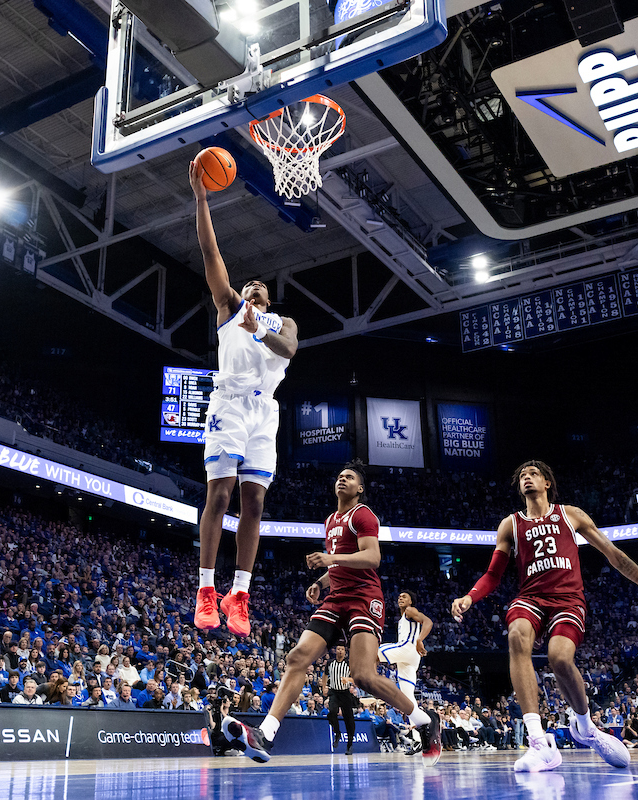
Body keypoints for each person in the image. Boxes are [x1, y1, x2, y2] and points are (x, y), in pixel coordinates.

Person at [451, 460, 638, 773]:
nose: (527, 478)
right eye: (522, 476)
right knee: (516, 635)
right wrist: (469, 596)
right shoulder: (511, 524)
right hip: (530, 598)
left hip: (568, 600)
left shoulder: (571, 515)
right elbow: (493, 574)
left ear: (546, 483)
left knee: (559, 658)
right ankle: (538, 742)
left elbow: (616, 557)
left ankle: (585, 727)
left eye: (533, 474)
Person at [230, 462, 441, 764]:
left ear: (360, 488)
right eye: (339, 476)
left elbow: (372, 557)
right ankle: (266, 734)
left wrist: (329, 558)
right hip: (336, 597)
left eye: (350, 477)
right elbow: (341, 562)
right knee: (296, 658)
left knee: (364, 675)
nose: (342, 479)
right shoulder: (330, 519)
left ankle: (424, 719)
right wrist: (321, 580)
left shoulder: (363, 514)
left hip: (364, 598)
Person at [189, 159, 298, 638]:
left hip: (265, 412)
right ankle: (206, 589)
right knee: (221, 494)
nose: (253, 289)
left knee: (254, 504)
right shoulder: (230, 309)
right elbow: (210, 250)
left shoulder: (281, 324)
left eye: (260, 289)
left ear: (268, 300)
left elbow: (289, 348)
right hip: (229, 403)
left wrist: (261, 330)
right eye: (247, 286)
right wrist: (201, 198)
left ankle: (240, 595)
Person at [377, 591, 432, 710]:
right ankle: (419, 724)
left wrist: (420, 640)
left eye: (404, 597)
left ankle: (368, 680)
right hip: (412, 658)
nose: (400, 598)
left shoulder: (410, 610)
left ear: (410, 601)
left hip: (407, 647)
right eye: (399, 596)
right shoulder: (403, 617)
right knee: (408, 696)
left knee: (373, 652)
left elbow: (428, 621)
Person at [325, 645, 356, 754]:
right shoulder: (330, 663)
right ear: (335, 650)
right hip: (334, 691)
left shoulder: (348, 664)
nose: (340, 651)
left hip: (345, 693)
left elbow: (355, 678)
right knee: (332, 712)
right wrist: (325, 686)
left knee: (349, 719)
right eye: (338, 649)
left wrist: (347, 679)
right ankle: (337, 733)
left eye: (342, 649)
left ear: (345, 651)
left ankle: (350, 745)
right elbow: (325, 675)